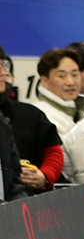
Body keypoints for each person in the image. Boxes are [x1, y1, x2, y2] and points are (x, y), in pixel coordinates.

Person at [0, 46, 64, 194]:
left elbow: (54, 152)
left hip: (25, 199)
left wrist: (45, 176)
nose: (3, 72)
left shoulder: (30, 114)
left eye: (4, 65)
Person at [28, 48, 84, 138]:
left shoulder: (81, 112)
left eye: (74, 75)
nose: (70, 82)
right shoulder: (40, 115)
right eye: (62, 76)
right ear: (45, 81)